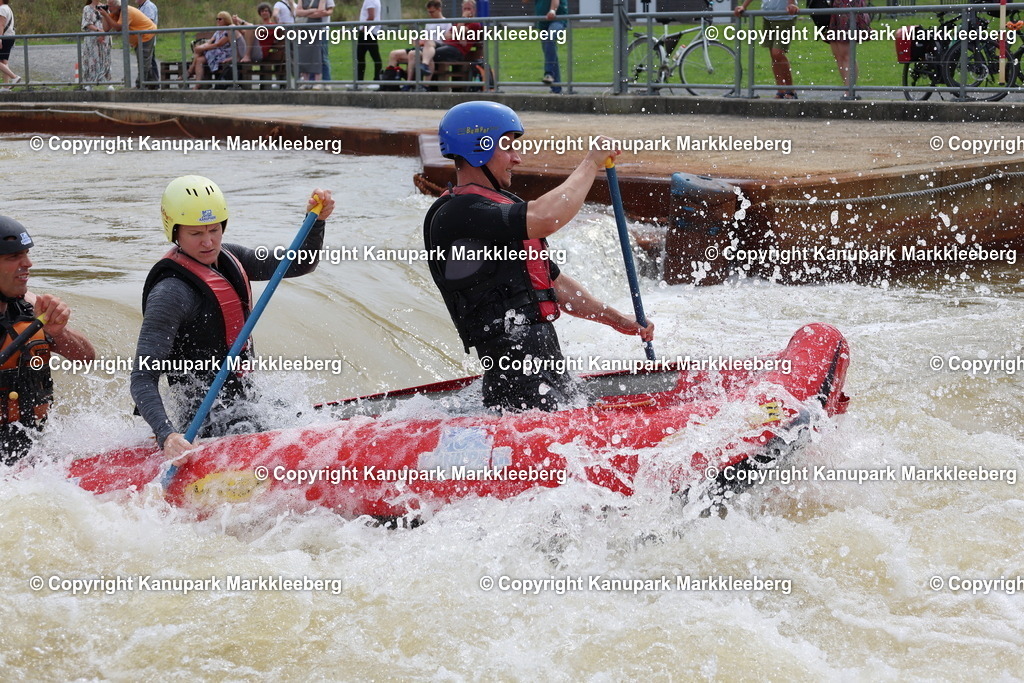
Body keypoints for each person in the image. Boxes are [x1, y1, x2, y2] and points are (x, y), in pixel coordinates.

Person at [423, 102, 655, 413]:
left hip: (548, 369)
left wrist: (616, 319)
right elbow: (547, 217)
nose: (516, 158)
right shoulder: (458, 213)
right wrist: (591, 163)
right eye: (507, 146)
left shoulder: (498, 207)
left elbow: (554, 284)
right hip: (515, 380)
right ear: (479, 147)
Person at [131, 176, 334, 462]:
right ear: (175, 232)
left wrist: (316, 222)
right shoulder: (170, 293)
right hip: (206, 426)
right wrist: (167, 435)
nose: (208, 241)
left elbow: (300, 263)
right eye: (195, 233)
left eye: (214, 229)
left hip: (249, 406)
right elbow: (142, 377)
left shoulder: (232, 258)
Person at [0, 217, 96, 465]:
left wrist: (59, 333)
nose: (27, 263)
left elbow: (86, 358)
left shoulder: (30, 307)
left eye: (26, 254)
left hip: (35, 453)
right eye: (14, 257)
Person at [734, 0, 798, 99]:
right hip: (768, 17)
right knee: (773, 56)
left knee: (777, 53)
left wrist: (791, 4)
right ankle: (781, 89)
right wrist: (744, 6)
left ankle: (790, 89)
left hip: (785, 17)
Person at [406, 0, 482, 83]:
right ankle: (419, 74)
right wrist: (458, 34)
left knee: (426, 55)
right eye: (464, 9)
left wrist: (463, 19)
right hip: (446, 46)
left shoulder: (475, 24)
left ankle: (425, 82)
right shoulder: (458, 23)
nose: (466, 11)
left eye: (469, 9)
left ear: (474, 10)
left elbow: (460, 35)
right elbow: (446, 36)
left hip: (456, 51)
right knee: (425, 46)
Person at [97, 0, 158, 88]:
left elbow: (119, 27)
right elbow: (106, 28)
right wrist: (104, 15)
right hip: (138, 38)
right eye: (107, 6)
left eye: (110, 6)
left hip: (146, 35)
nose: (108, 8)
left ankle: (140, 86)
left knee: (143, 63)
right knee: (145, 62)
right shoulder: (115, 12)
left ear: (117, 5)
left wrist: (106, 15)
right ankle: (152, 85)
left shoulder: (126, 11)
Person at [385, 0, 449, 78]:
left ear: (439, 9)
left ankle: (409, 80)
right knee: (394, 54)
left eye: (432, 12)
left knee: (413, 54)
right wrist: (419, 41)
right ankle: (388, 80)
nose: (430, 14)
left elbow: (447, 41)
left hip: (433, 49)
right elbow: (426, 37)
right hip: (422, 47)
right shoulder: (429, 23)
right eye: (428, 12)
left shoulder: (446, 23)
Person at [525, 0, 566, 93]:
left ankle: (549, 74)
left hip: (557, 19)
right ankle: (556, 89)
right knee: (549, 52)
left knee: (550, 38)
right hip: (543, 22)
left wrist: (552, 10)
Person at [186, 12, 234, 88]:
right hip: (215, 52)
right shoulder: (218, 31)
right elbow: (209, 42)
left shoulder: (228, 31)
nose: (218, 21)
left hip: (224, 54)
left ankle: (189, 72)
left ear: (226, 20)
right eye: (217, 19)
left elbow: (218, 44)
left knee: (200, 51)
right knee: (199, 59)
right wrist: (200, 47)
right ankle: (197, 84)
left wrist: (202, 48)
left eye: (220, 19)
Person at [294, 0, 328, 87]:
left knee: (316, 54)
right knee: (304, 54)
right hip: (303, 28)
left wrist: (304, 13)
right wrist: (311, 11)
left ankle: (317, 82)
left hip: (315, 28)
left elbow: (320, 12)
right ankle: (305, 82)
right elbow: (297, 12)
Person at [81, 0, 112, 87]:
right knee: (91, 59)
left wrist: (103, 33)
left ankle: (108, 82)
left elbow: (110, 20)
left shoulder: (105, 7)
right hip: (92, 38)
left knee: (105, 59)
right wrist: (98, 31)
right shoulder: (87, 8)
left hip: (104, 37)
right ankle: (89, 83)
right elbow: (87, 23)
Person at [357, 0, 382, 83]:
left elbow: (371, 16)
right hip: (372, 31)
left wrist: (364, 29)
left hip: (368, 32)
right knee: (361, 56)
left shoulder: (369, 0)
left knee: (369, 56)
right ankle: (359, 80)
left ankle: (376, 80)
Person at [136, 0, 159, 83]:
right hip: (143, 39)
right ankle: (150, 82)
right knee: (148, 61)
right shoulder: (141, 7)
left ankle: (154, 82)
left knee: (150, 61)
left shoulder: (148, 6)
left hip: (148, 40)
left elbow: (148, 23)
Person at [0, 0, 20, 89]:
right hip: (10, 37)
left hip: (4, 38)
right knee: (4, 62)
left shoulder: (2, 9)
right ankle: (6, 86)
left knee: (3, 61)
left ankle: (14, 77)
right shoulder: (7, 8)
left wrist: (0, 38)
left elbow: (1, 25)